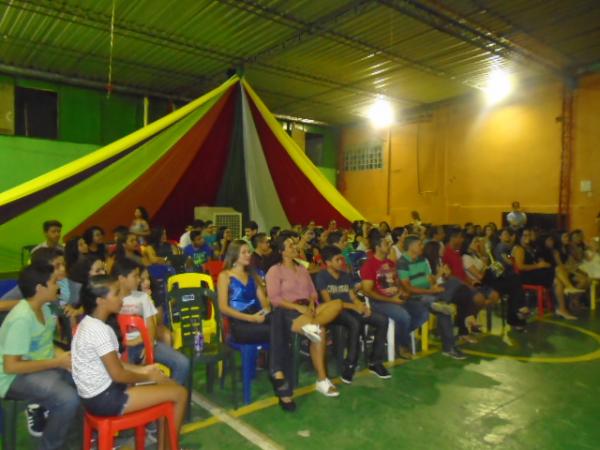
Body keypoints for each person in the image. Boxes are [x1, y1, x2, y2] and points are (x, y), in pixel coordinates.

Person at [72, 275, 188, 450]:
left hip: (95, 397)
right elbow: (118, 374)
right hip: (108, 399)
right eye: (117, 294)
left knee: (167, 385)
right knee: (179, 393)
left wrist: (146, 371)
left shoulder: (88, 324)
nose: (122, 298)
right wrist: (147, 376)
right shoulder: (100, 331)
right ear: (101, 301)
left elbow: (117, 364)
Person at [0, 263, 78, 450]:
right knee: (68, 399)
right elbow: (10, 366)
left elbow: (44, 344)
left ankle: (75, 439)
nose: (57, 285)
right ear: (39, 288)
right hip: (10, 378)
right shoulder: (22, 318)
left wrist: (63, 358)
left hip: (37, 365)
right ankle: (52, 445)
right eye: (53, 282)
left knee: (83, 377)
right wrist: (57, 362)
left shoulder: (45, 307)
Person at [266, 236, 343, 400]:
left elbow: (313, 292)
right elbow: (275, 299)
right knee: (319, 332)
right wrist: (298, 307)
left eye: (294, 244)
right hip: (289, 312)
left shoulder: (301, 268)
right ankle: (322, 380)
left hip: (308, 309)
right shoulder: (275, 271)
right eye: (290, 245)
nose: (294, 247)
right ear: (282, 251)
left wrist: (311, 305)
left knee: (337, 304)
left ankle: (312, 325)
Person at [316, 246, 390, 382]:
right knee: (355, 323)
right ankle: (350, 365)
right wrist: (354, 307)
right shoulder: (322, 277)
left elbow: (353, 296)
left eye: (342, 259)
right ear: (328, 263)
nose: (341, 262)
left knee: (382, 320)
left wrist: (361, 306)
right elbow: (330, 303)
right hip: (333, 313)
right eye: (337, 260)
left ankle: (375, 362)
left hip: (350, 309)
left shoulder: (345, 276)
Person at [113, 259, 190, 386]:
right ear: (122, 279)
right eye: (135, 276)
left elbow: (151, 326)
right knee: (126, 378)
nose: (139, 280)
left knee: (182, 363)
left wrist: (148, 345)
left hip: (145, 344)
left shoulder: (142, 298)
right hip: (122, 349)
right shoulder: (112, 300)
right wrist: (130, 343)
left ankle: (169, 396)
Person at [359, 230, 428, 360]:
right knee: (404, 316)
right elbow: (367, 291)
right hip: (379, 302)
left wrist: (402, 292)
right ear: (378, 247)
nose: (389, 245)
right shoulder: (369, 265)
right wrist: (392, 300)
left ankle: (397, 336)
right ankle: (402, 345)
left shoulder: (390, 263)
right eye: (385, 243)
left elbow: (396, 283)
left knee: (423, 313)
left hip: (395, 298)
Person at [398, 235, 467, 359]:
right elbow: (407, 288)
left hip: (429, 292)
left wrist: (439, 275)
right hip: (414, 296)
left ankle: (439, 302)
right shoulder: (402, 262)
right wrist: (431, 291)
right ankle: (449, 348)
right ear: (411, 246)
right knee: (441, 308)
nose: (422, 247)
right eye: (419, 244)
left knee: (454, 282)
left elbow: (431, 281)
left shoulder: (422, 260)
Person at [512, 229, 577, 320]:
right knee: (557, 269)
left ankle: (561, 309)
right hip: (526, 277)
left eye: (529, 235)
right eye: (525, 235)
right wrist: (538, 265)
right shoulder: (519, 248)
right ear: (519, 237)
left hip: (535, 273)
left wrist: (540, 263)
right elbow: (520, 267)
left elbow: (534, 262)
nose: (528, 237)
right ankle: (569, 287)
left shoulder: (530, 247)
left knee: (557, 281)